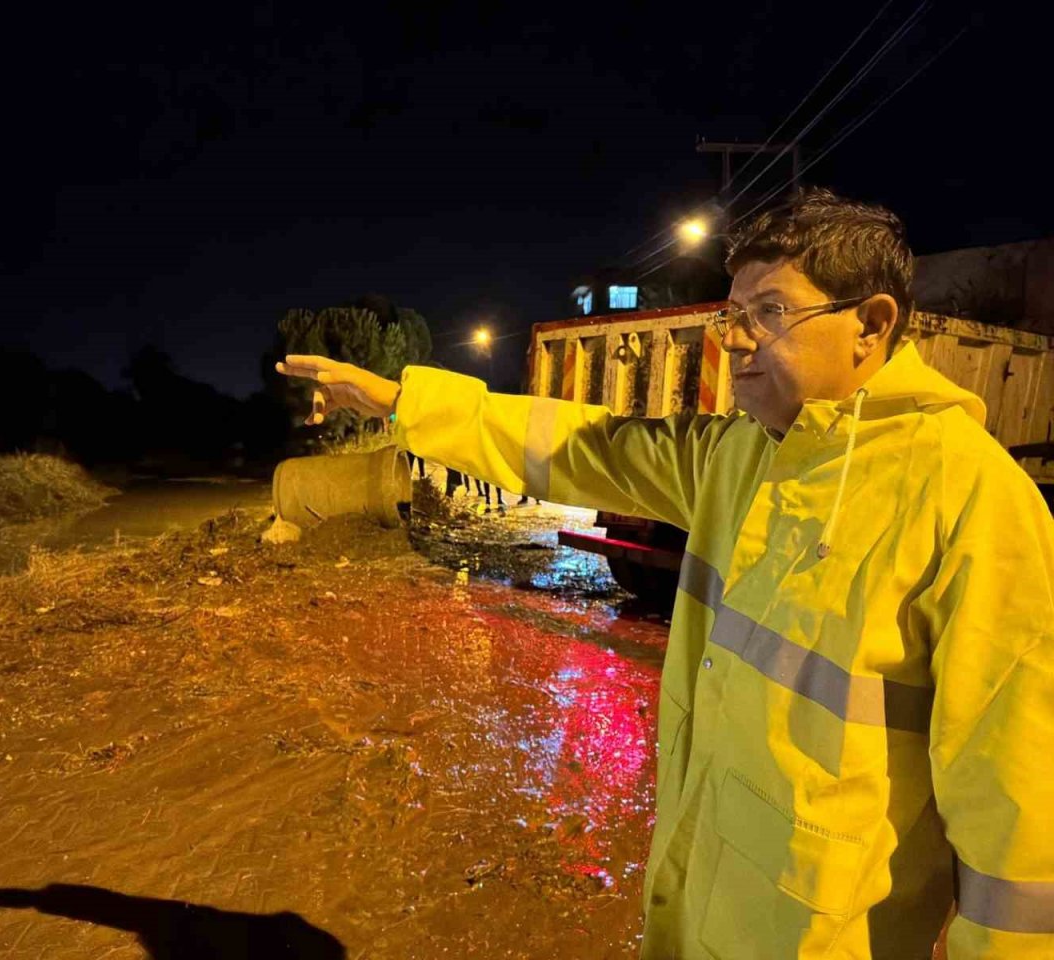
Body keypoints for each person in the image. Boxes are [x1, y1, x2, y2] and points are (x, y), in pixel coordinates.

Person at [277, 189, 1054, 959]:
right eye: (734, 315)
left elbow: (1020, 821)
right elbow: (583, 444)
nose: (737, 341)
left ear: (871, 325)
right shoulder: (737, 455)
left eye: (772, 313)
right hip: (696, 903)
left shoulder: (973, 502)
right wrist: (404, 399)